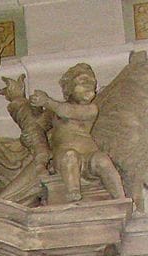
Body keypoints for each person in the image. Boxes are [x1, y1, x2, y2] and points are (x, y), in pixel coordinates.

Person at [29, 63, 125, 202]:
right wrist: (35, 108)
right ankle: (73, 192)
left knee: (103, 160)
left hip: (89, 155)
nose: (89, 85)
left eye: (92, 83)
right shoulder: (53, 113)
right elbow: (37, 126)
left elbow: (68, 111)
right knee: (70, 157)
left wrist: (47, 101)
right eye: (83, 81)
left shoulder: (91, 109)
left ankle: (120, 197)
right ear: (69, 88)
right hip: (63, 156)